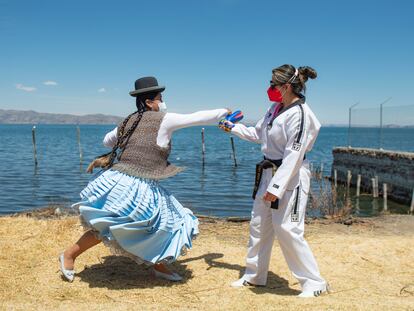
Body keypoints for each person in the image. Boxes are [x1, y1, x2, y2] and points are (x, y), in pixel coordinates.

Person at [59, 76, 230, 282]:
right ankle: (68, 255)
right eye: (159, 98)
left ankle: (158, 265)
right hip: (132, 184)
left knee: (154, 225)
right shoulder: (164, 119)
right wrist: (224, 112)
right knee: (118, 226)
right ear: (149, 102)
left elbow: (107, 141)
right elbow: (197, 117)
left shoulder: (128, 121)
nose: (162, 102)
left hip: (123, 180)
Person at [220, 65, 328, 298]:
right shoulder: (275, 108)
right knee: (259, 225)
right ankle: (254, 275)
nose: (270, 88)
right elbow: (258, 134)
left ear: (286, 86)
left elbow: (294, 154)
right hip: (268, 170)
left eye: (273, 84)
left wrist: (276, 188)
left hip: (291, 176)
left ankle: (314, 282)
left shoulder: (301, 115)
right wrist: (232, 128)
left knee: (288, 228)